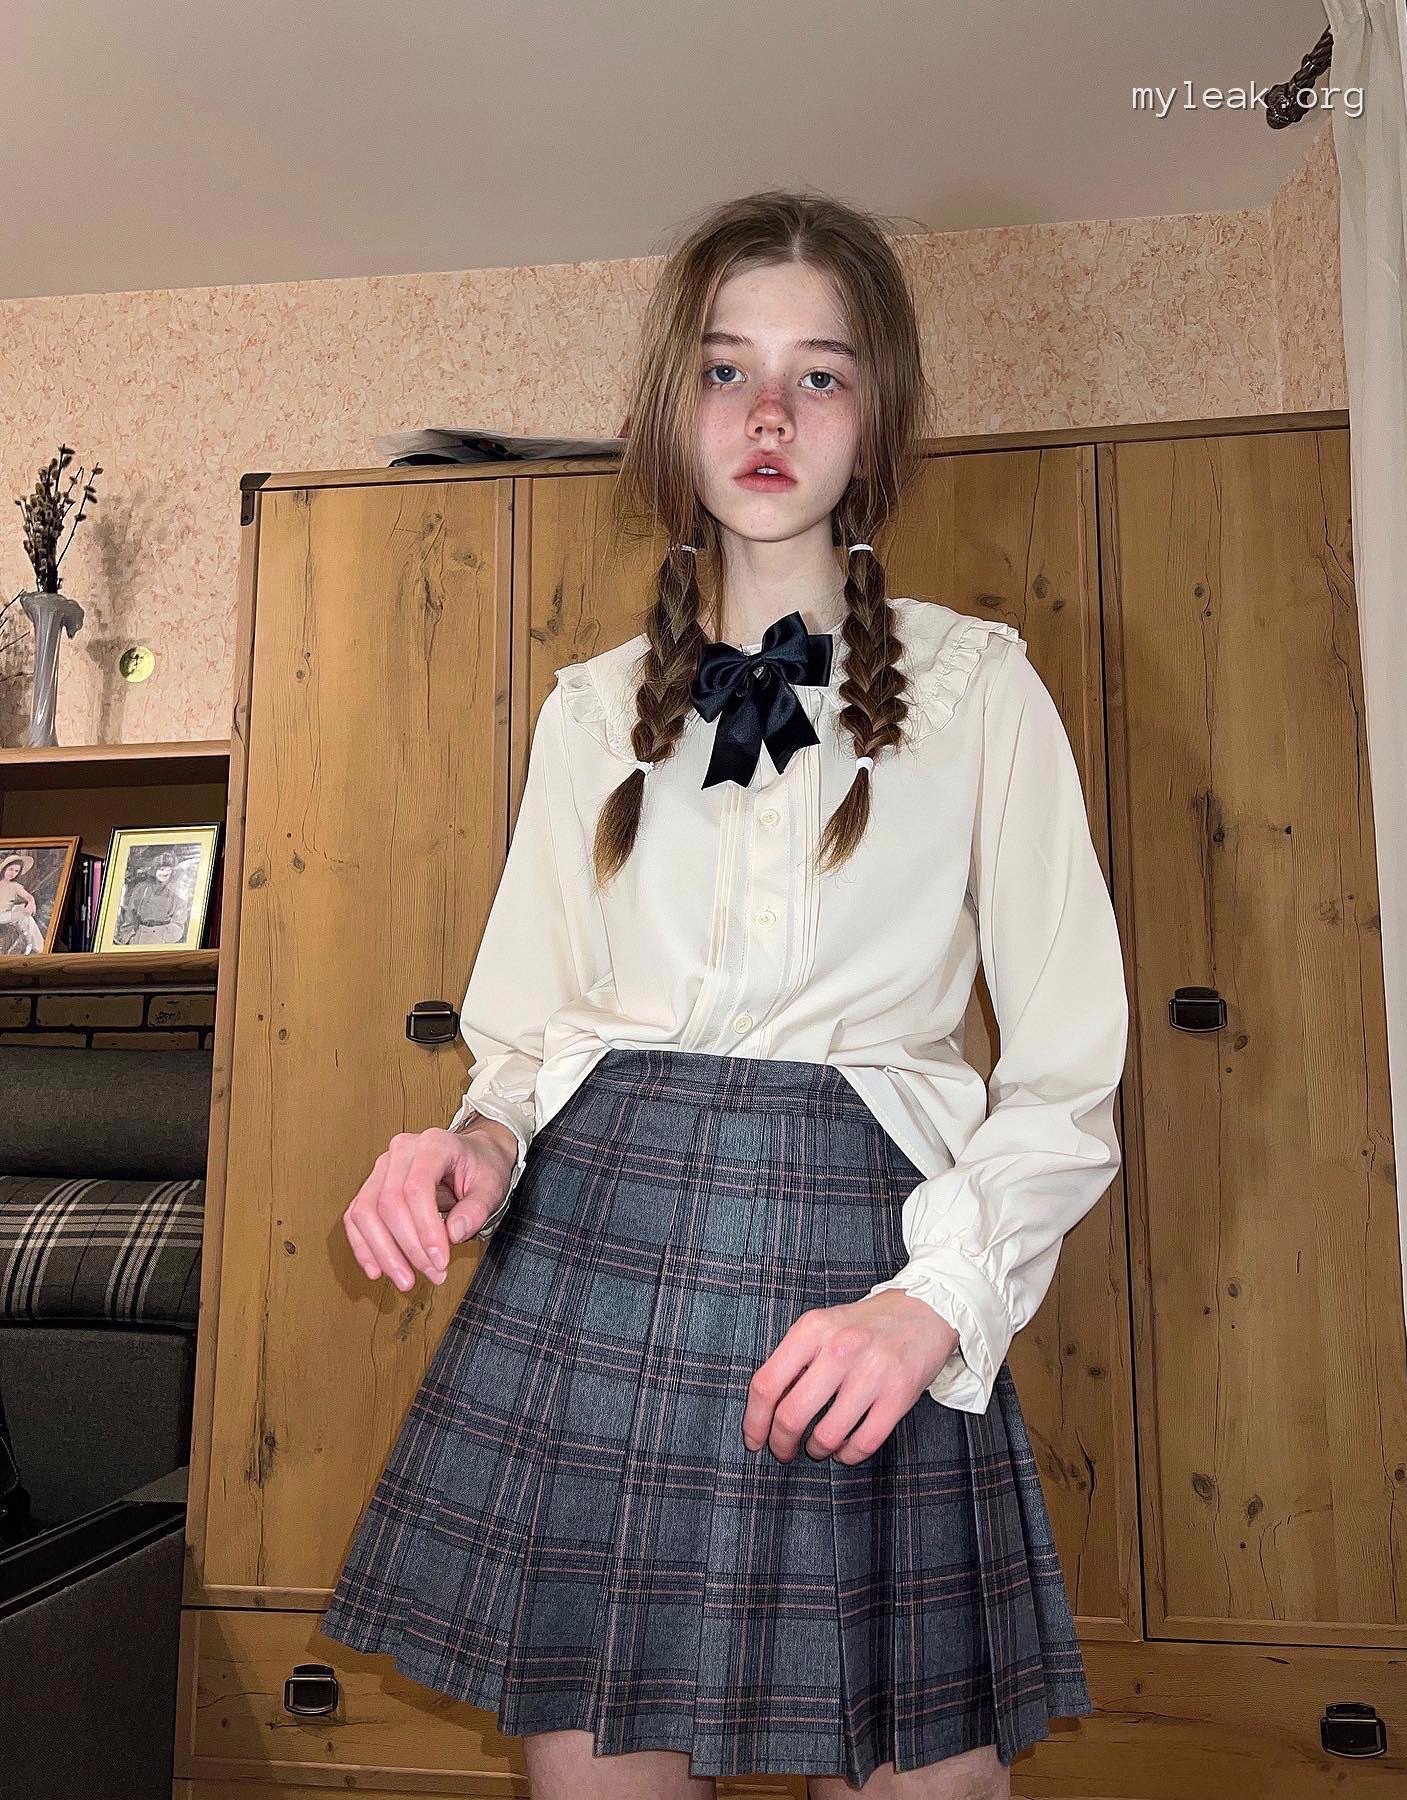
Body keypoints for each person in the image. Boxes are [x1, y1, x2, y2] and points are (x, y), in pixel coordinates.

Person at [319, 189, 1129, 1800]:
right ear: (669, 409)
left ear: (875, 416)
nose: (769, 414)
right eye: (725, 369)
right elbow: (526, 1047)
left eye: (820, 374)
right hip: (599, 1270)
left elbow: (1065, 1076)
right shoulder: (588, 714)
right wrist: (472, 1149)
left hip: (870, 1276)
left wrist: (933, 1304)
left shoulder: (981, 691)